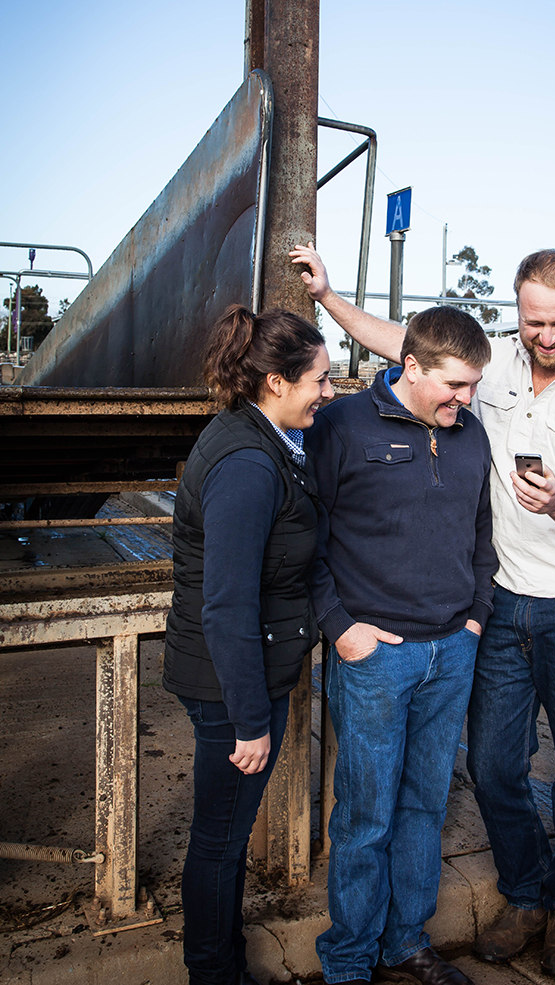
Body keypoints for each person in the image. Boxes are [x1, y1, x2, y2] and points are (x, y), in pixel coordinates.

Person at [290, 243, 555, 978]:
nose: (546, 333)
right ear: (519, 313)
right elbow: (403, 341)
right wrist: (327, 298)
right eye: (534, 319)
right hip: (449, 628)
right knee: (461, 778)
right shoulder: (458, 381)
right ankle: (483, 908)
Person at [305, 305, 497, 985]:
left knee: (425, 804)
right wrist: (341, 626)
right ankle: (350, 959)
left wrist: (476, 616)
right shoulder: (341, 426)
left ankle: (406, 941)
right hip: (376, 654)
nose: (467, 400)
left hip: (453, 649)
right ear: (410, 367)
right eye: (455, 385)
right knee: (365, 811)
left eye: (475, 385)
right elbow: (306, 534)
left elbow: (482, 533)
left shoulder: (471, 435)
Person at [162, 305, 334, 985]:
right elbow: (228, 603)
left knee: (224, 839)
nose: (328, 390)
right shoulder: (247, 465)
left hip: (235, 676)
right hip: (230, 688)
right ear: (275, 382)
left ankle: (222, 965)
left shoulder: (258, 440)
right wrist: (248, 721)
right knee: (218, 843)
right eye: (319, 379)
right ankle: (213, 971)